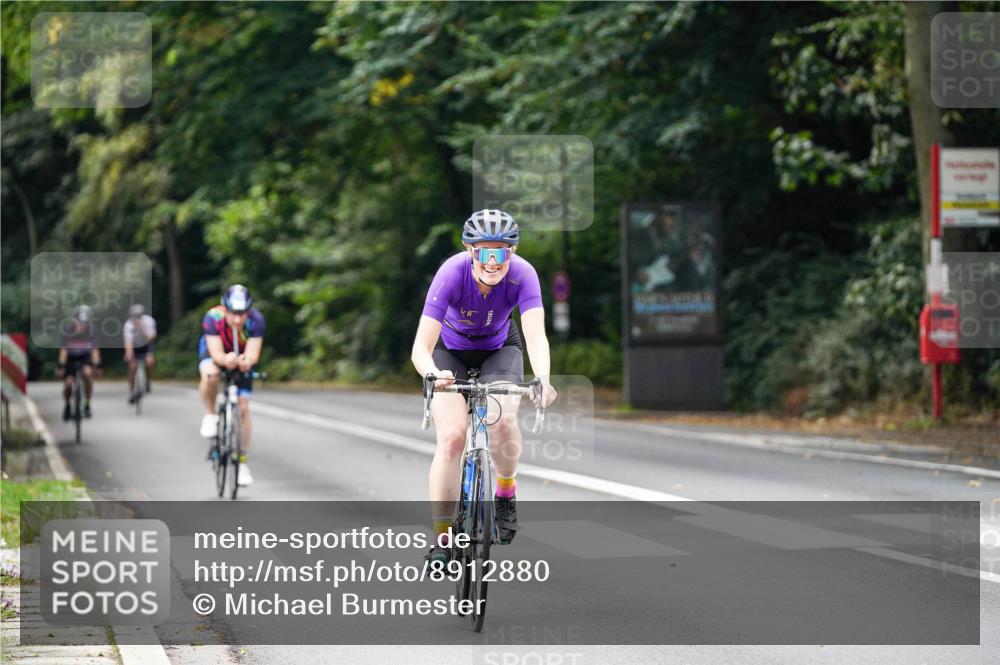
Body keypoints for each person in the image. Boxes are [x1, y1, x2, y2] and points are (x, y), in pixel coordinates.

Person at [411, 209, 558, 567]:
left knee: (504, 422)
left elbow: (536, 335)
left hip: (499, 350)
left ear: (513, 252)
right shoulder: (451, 272)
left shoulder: (523, 274)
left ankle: (505, 493)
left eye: (501, 252)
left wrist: (542, 378)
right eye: (484, 252)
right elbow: (420, 348)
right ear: (469, 250)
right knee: (451, 439)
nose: (493, 262)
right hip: (449, 353)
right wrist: (433, 373)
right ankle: (443, 538)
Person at [197, 285, 265, 486]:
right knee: (211, 375)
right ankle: (210, 414)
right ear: (225, 309)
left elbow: (253, 353)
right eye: (233, 314)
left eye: (242, 314)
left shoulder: (257, 320)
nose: (238, 320)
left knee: (243, 407)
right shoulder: (212, 318)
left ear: (249, 311)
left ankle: (242, 463)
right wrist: (225, 359)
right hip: (216, 352)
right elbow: (216, 353)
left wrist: (247, 361)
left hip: (240, 355)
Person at [57, 305, 101, 420]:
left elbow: (95, 350)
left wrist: (96, 365)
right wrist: (61, 366)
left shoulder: (92, 330)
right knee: (68, 384)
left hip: (85, 358)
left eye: (85, 322)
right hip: (70, 359)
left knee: (87, 374)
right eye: (80, 321)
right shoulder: (68, 329)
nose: (82, 325)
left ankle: (87, 404)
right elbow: (64, 350)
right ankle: (67, 406)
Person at [123, 304, 157, 402]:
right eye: (134, 316)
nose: (136, 318)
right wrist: (129, 355)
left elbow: (151, 338)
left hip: (147, 345)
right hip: (134, 347)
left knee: (149, 363)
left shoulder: (149, 321)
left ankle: (148, 380)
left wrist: (141, 328)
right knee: (132, 367)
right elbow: (128, 342)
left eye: (138, 316)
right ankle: (131, 391)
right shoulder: (128, 325)